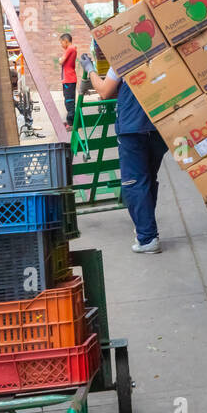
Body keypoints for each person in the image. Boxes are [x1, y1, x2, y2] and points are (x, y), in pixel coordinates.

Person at [82, 52, 169, 253]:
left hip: (133, 128)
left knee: (134, 183)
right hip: (159, 126)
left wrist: (90, 69)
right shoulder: (163, 51)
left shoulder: (123, 54)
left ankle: (147, 238)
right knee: (147, 179)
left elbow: (105, 92)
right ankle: (145, 230)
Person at [59, 33, 78, 130]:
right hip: (68, 80)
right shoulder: (71, 49)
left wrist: (60, 59)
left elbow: (61, 61)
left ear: (66, 41)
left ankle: (72, 124)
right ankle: (70, 121)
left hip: (69, 80)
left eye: (61, 42)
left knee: (69, 101)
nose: (61, 45)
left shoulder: (70, 48)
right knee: (68, 100)